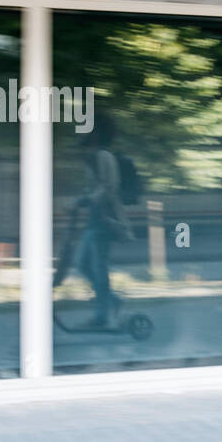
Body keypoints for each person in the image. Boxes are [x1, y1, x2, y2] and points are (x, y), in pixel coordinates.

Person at [73, 114, 132, 327]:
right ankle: (113, 302)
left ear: (97, 133)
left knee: (99, 268)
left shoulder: (104, 156)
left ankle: (102, 317)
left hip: (104, 222)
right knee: (82, 264)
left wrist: (88, 198)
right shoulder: (92, 157)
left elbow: (109, 186)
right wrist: (82, 199)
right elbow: (94, 187)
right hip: (93, 221)